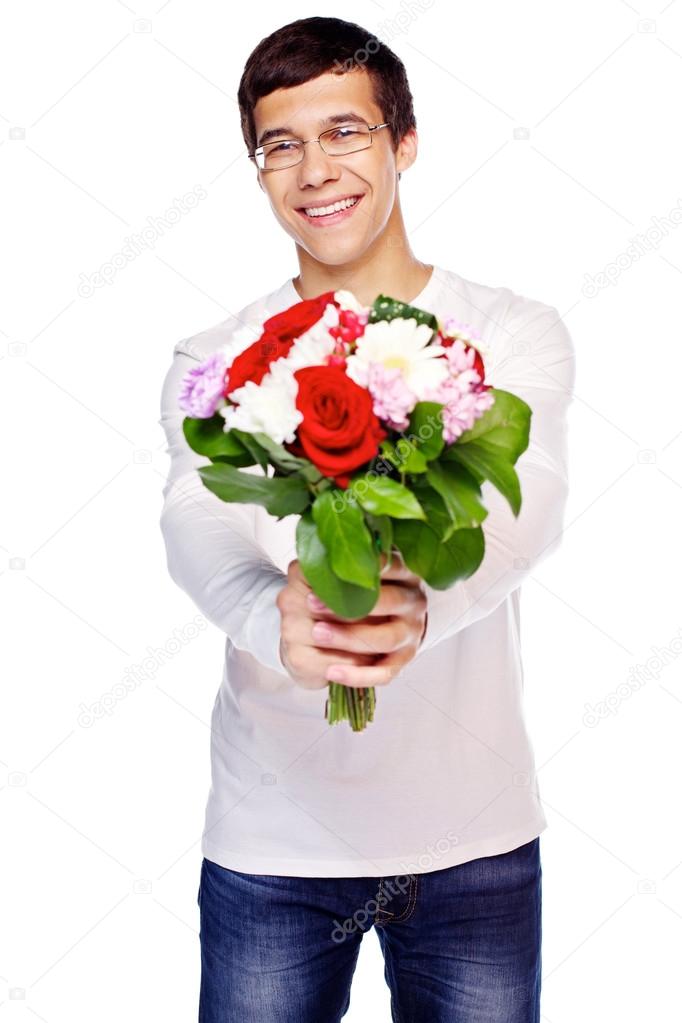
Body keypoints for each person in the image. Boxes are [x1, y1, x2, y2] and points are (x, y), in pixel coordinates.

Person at [158, 15, 575, 1023]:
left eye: (345, 131)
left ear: (405, 142)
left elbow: (528, 510)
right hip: (272, 842)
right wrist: (277, 623)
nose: (314, 171)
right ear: (259, 169)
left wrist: (417, 610)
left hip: (472, 837)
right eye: (280, 145)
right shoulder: (216, 358)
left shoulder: (511, 331)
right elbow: (194, 519)